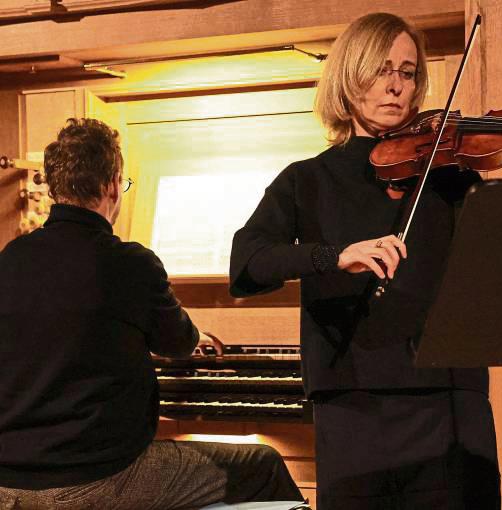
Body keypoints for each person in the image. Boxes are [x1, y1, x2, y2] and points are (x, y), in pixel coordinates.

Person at [229, 12, 502, 510]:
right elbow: (248, 262)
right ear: (348, 77)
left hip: (449, 402)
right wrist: (334, 256)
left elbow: (499, 257)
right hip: (354, 407)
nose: (395, 86)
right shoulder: (308, 180)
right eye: (380, 69)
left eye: (407, 73)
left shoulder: (449, 175)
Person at [0, 118, 302, 509]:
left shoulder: (10, 258)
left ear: (55, 188)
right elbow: (178, 343)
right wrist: (198, 339)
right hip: (96, 479)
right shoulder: (129, 262)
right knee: (261, 464)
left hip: (9, 482)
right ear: (112, 184)